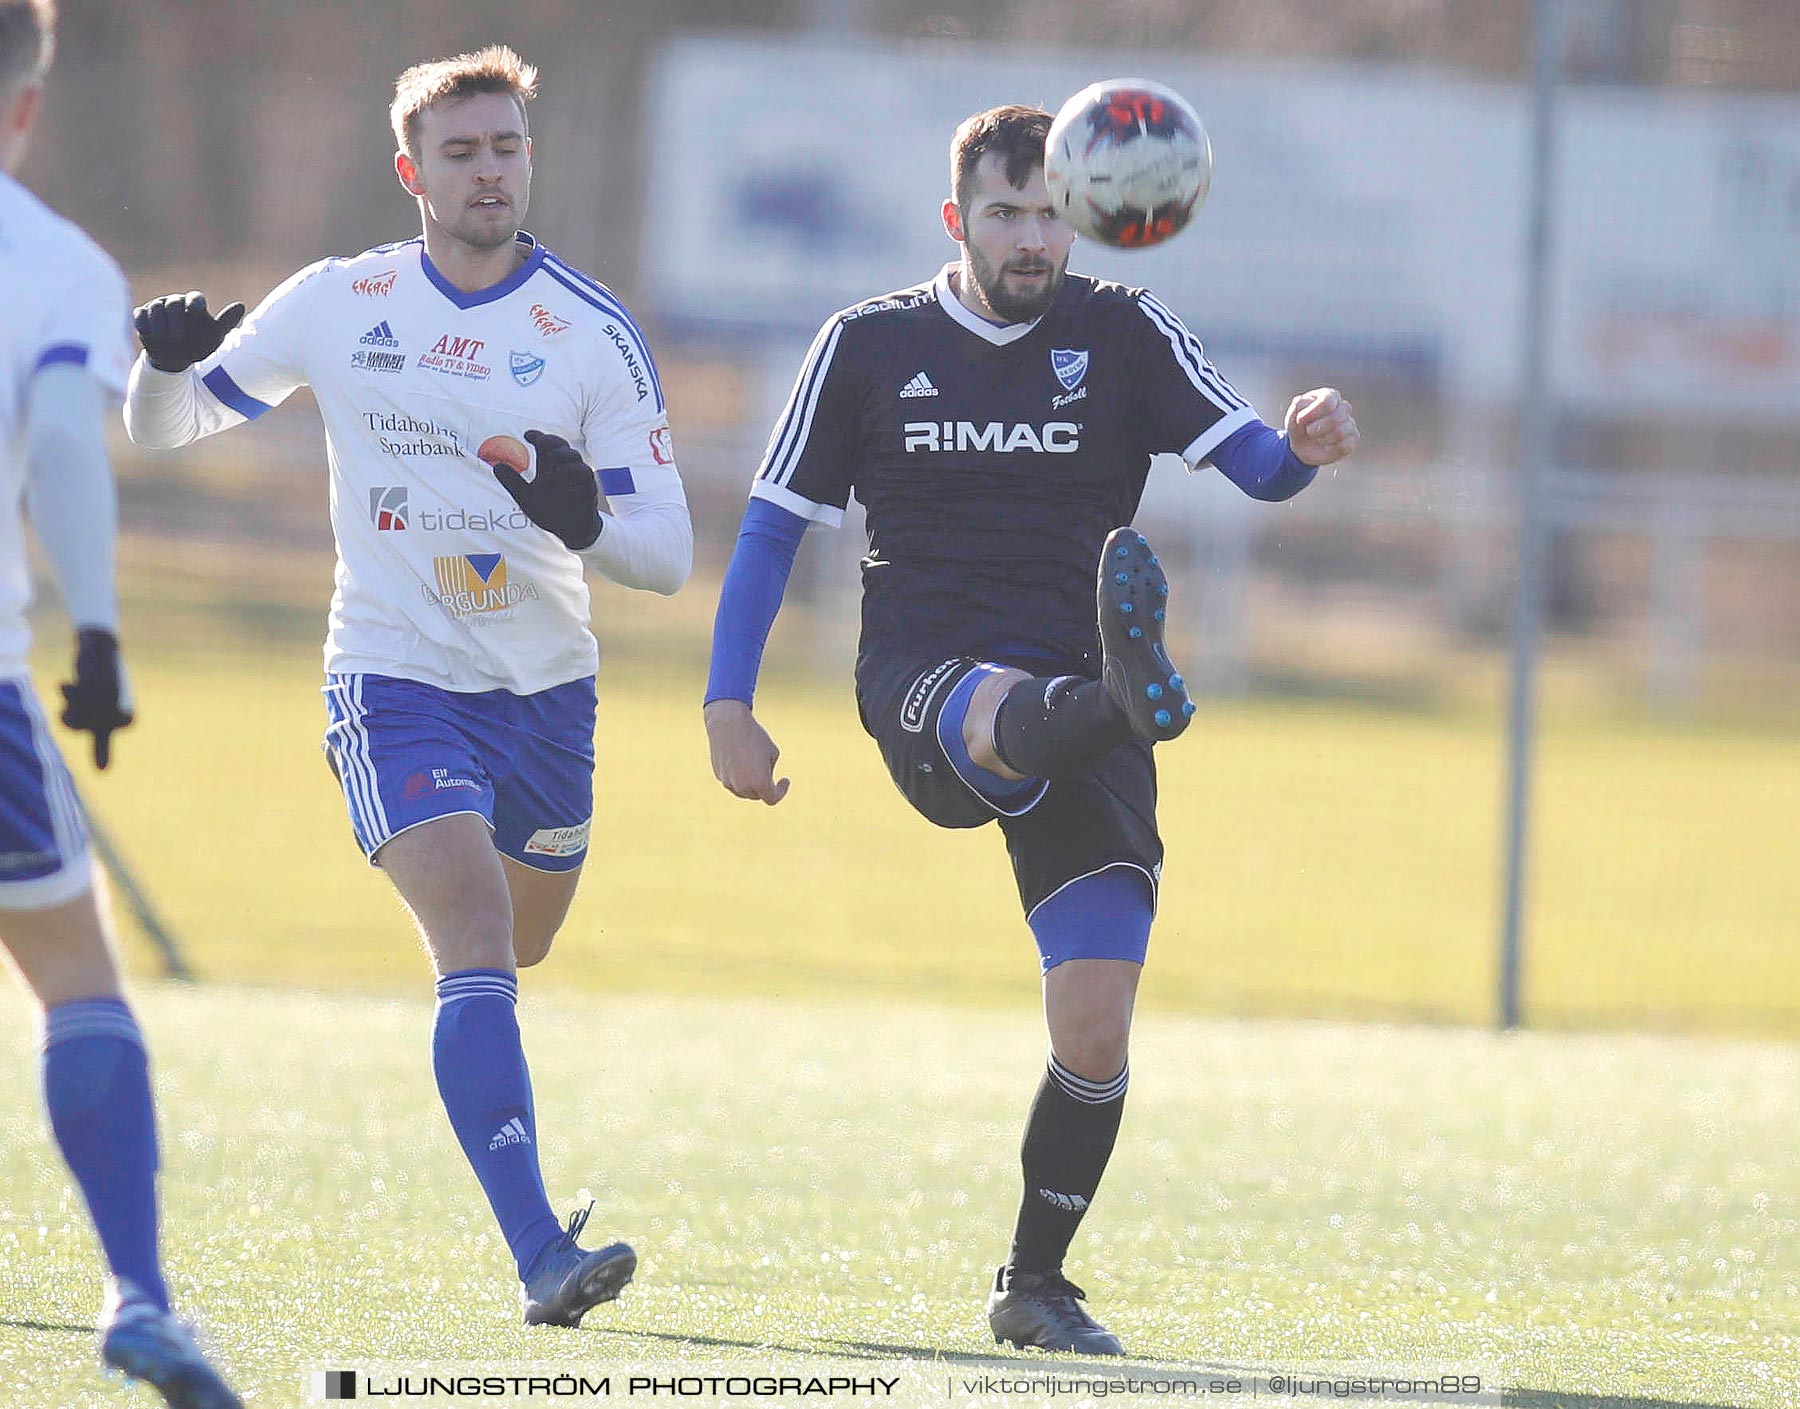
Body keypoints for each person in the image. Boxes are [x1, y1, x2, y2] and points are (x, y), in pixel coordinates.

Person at [705, 104, 1358, 1355]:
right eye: (1005, 212)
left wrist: (1309, 443)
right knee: (997, 712)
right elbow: (774, 524)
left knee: (1098, 1022)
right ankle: (1119, 700)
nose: (1032, 237)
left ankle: (1033, 1282)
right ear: (957, 221)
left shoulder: (1120, 331)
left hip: (1087, 678)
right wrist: (728, 703)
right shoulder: (867, 343)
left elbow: (1259, 464)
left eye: (1051, 211)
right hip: (927, 679)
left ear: (1089, 213)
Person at [124, 45, 691, 1329]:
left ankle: (507, 1129)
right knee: (476, 934)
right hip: (392, 674)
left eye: (506, 147)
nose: (489, 170)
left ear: (527, 159)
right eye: (461, 151)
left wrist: (578, 515)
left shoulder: (590, 332)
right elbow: (169, 430)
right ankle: (543, 1251)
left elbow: (667, 552)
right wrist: (157, 366)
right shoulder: (338, 299)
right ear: (411, 173)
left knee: (523, 938)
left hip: (546, 692)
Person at [0, 3, 244, 1405]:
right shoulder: (56, 265)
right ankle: (140, 1296)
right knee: (78, 983)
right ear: (27, 104)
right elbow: (56, 442)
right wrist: (94, 631)